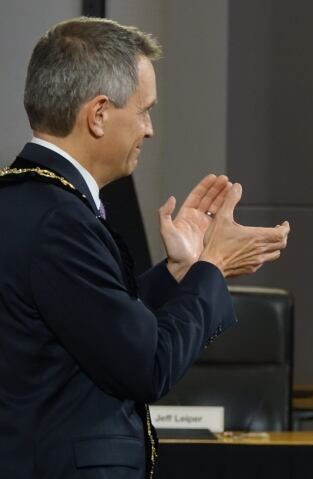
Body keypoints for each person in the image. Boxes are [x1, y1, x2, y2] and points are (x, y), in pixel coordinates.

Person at [0, 17, 290, 479]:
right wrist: (211, 270)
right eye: (143, 110)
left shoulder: (25, 201)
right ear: (98, 115)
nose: (150, 129)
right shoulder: (61, 220)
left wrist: (178, 272)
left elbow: (88, 317)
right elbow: (146, 366)